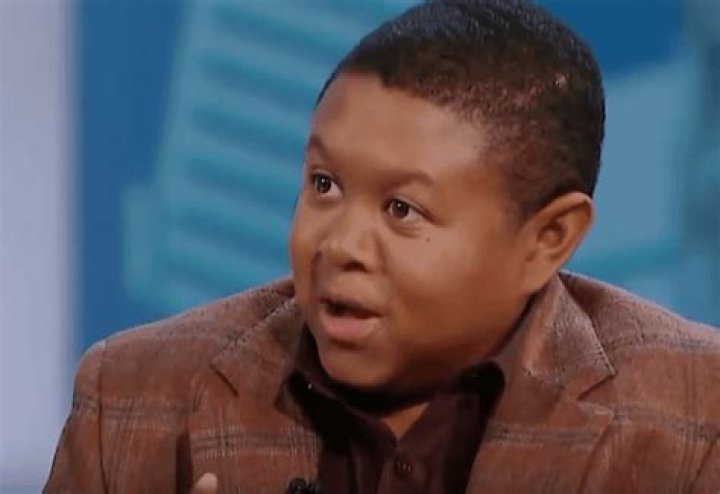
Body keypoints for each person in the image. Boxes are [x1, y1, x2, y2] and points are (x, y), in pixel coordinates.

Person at [45, 0, 720, 492]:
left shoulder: (693, 417)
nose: (338, 245)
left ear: (548, 239)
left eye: (402, 209)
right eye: (324, 185)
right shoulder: (131, 398)